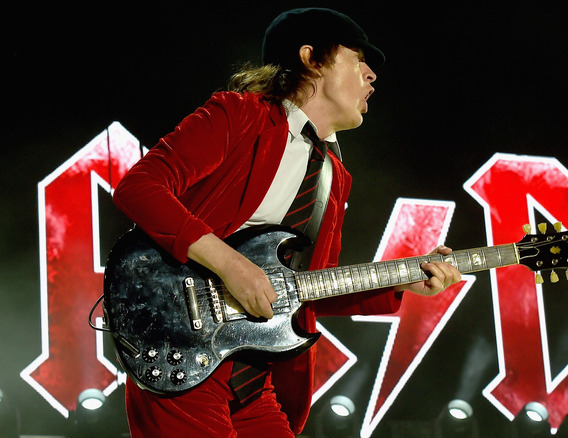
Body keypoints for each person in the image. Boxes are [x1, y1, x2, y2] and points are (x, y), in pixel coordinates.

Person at [112, 7, 461, 437]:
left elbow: (305, 288)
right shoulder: (240, 115)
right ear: (311, 58)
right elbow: (139, 187)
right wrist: (231, 265)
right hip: (181, 349)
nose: (371, 76)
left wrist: (402, 280)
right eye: (358, 60)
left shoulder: (335, 176)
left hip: (254, 377)